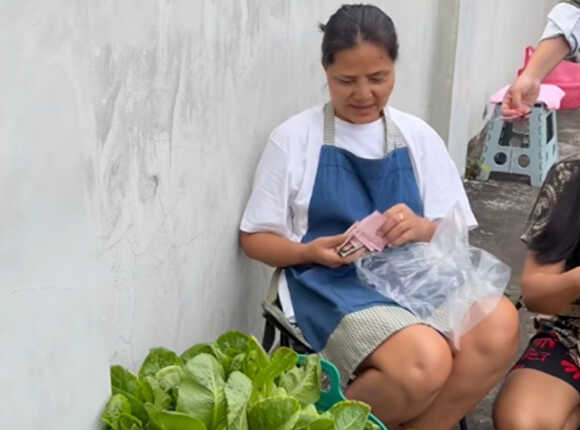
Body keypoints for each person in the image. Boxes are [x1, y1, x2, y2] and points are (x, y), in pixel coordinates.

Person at [240, 5, 519, 429]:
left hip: (411, 273)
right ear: (325, 71)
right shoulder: (294, 138)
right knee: (424, 361)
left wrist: (420, 228)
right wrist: (309, 251)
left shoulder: (417, 135)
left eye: (378, 78)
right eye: (346, 81)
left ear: (394, 69)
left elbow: (452, 232)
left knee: (499, 323)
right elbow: (254, 238)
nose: (363, 94)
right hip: (327, 282)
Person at [494, 2, 580, 430]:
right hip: (572, 338)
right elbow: (538, 294)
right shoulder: (569, 177)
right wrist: (532, 76)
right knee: (521, 421)